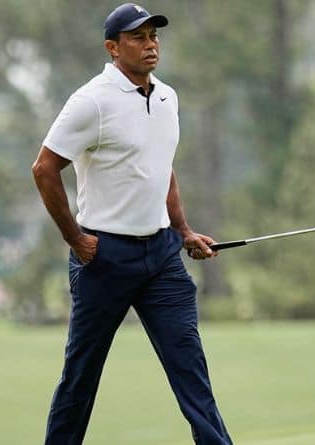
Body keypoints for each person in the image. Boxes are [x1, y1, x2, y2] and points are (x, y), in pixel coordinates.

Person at [31, 3, 233, 445]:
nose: (150, 45)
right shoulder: (92, 102)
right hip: (104, 257)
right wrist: (75, 239)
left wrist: (184, 232)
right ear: (112, 47)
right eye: (138, 37)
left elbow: (162, 169)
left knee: (191, 371)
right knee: (80, 379)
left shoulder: (167, 97)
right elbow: (44, 168)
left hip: (161, 257)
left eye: (154, 36)